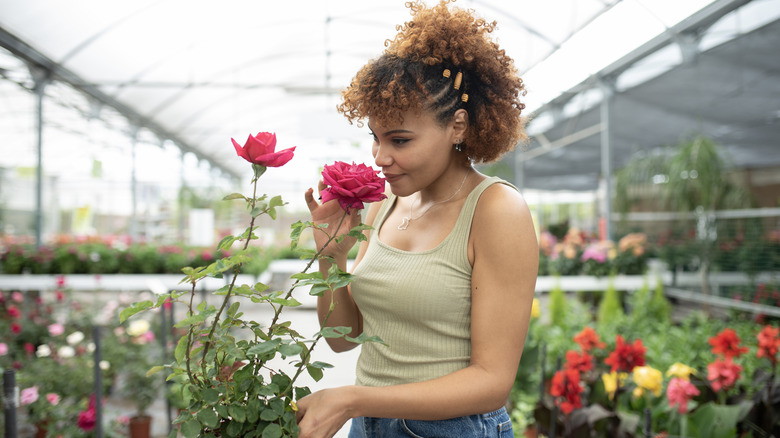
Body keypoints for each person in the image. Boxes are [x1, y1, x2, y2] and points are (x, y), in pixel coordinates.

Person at [298, 1, 538, 437]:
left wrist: (352, 398)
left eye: (400, 140)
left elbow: (492, 382)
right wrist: (330, 259)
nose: (380, 157)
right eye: (375, 137)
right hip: (370, 424)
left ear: (458, 127)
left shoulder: (496, 211)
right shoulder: (383, 203)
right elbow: (343, 338)